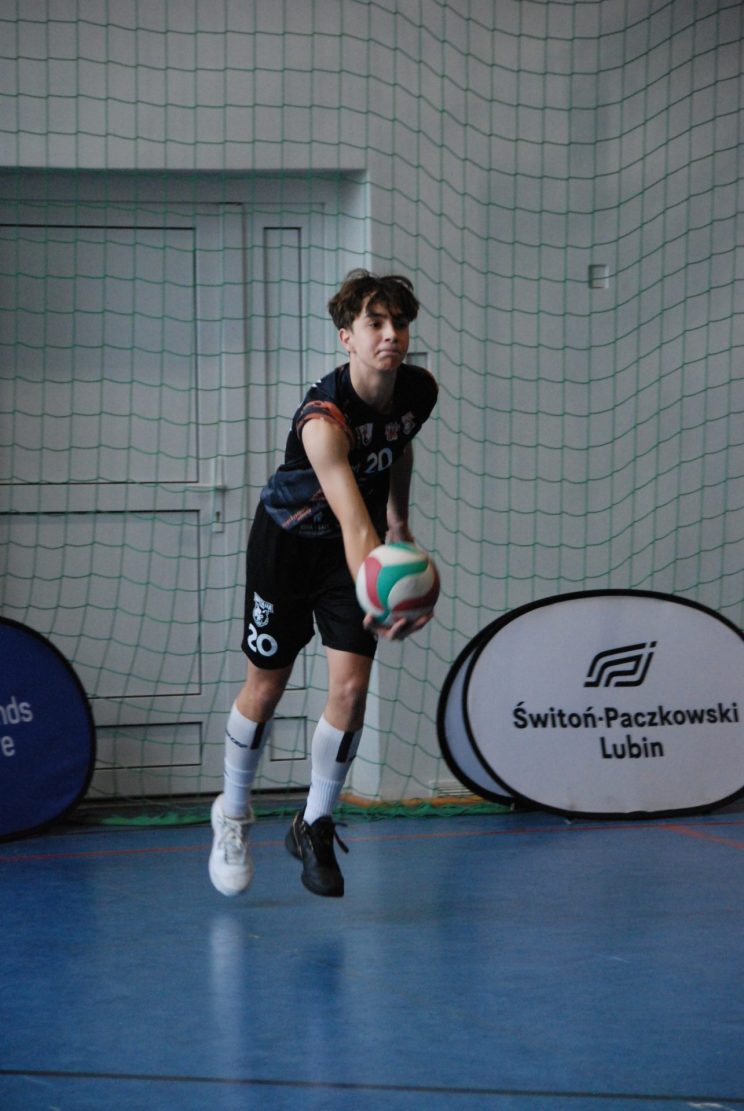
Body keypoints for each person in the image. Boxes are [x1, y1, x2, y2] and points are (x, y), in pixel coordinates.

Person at [208, 269, 438, 899]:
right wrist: (381, 593)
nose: (390, 335)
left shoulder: (418, 390)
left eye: (399, 323)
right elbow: (352, 520)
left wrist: (400, 524)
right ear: (347, 338)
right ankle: (232, 813)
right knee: (266, 686)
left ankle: (314, 822)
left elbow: (399, 445)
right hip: (287, 545)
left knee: (352, 688)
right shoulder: (323, 420)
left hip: (348, 553)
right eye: (374, 323)